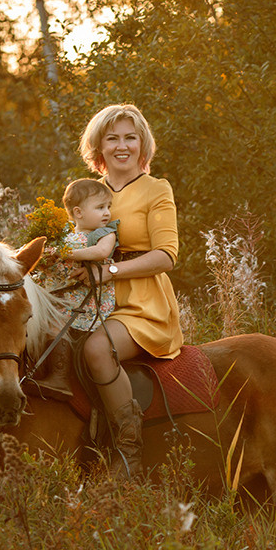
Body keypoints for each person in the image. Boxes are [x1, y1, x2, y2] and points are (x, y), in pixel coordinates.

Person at [72, 104, 183, 474]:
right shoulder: (88, 192)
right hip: (91, 299)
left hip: (143, 305)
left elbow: (166, 256)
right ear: (99, 147)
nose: (122, 146)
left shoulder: (156, 190)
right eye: (113, 138)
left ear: (142, 144)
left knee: (97, 348)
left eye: (130, 138)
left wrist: (111, 271)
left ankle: (128, 448)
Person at [54, 178, 119, 331]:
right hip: (62, 293)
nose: (107, 213)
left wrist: (68, 254)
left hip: (88, 295)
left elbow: (101, 251)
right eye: (100, 207)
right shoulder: (65, 231)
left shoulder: (105, 233)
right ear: (78, 212)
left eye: (108, 207)